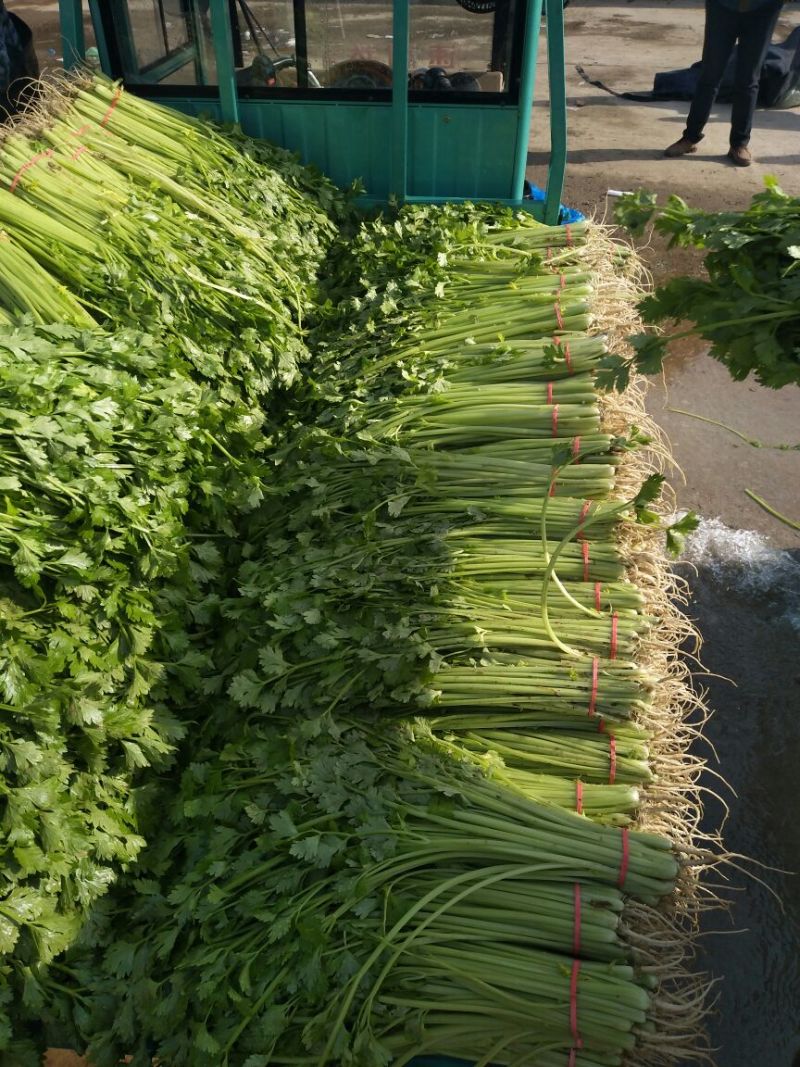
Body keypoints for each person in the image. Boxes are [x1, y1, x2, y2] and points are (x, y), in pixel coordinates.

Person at [664, 0, 785, 167]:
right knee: (710, 74)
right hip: (722, 6)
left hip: (763, 9)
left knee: (748, 79)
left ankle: (739, 144)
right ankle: (690, 137)